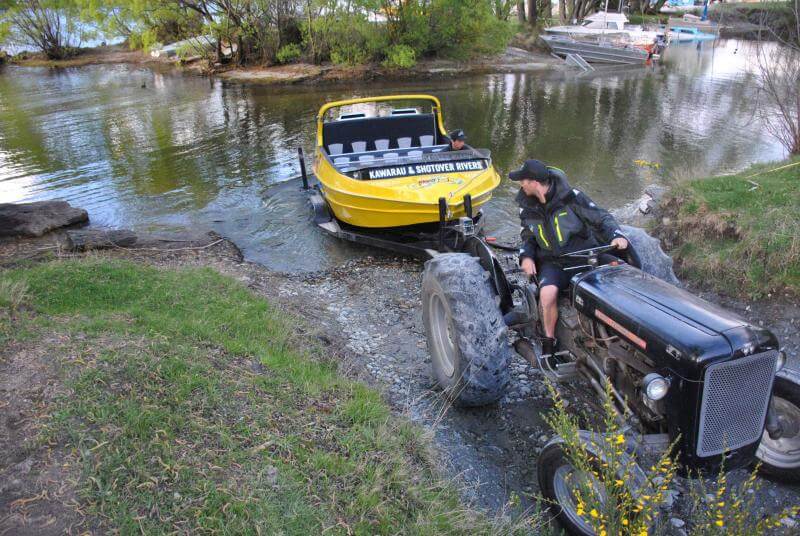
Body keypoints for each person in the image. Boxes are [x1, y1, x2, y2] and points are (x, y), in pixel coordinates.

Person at [509, 159, 628, 358]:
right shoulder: (526, 207)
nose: (520, 184)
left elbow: (602, 218)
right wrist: (527, 257)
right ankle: (549, 343)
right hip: (554, 262)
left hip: (585, 256)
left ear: (534, 183)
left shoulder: (573, 198)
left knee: (620, 278)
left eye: (522, 180)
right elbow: (528, 236)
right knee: (547, 294)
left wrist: (617, 235)